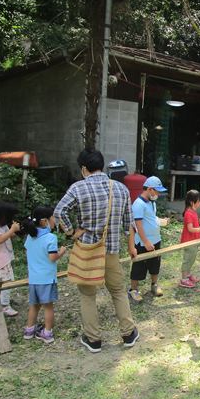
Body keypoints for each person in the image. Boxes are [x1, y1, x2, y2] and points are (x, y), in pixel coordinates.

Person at [55, 148, 139, 354]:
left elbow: (59, 212)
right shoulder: (121, 189)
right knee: (118, 291)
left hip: (87, 251)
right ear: (101, 166)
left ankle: (93, 340)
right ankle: (128, 333)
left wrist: (71, 232)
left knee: (87, 295)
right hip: (111, 250)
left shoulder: (78, 188)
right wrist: (131, 246)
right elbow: (129, 223)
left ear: (84, 168)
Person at [21, 206, 67, 344]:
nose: (55, 220)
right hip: (46, 278)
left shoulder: (30, 237)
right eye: (53, 217)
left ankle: (29, 330)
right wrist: (62, 252)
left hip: (34, 278)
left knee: (34, 305)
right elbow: (52, 257)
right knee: (48, 306)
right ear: (44, 221)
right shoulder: (50, 238)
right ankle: (47, 333)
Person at [129, 176, 169, 302]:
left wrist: (160, 221)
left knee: (155, 264)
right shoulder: (138, 204)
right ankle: (133, 290)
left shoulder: (152, 203)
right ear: (150, 189)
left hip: (156, 240)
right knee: (138, 265)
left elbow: (151, 218)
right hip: (142, 242)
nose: (158, 194)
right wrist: (146, 241)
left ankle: (154, 284)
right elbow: (137, 225)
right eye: (157, 191)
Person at [0, 200, 21, 317]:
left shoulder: (3, 225)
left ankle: (4, 301)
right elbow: (0, 239)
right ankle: (4, 306)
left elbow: (11, 235)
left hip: (6, 259)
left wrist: (15, 229)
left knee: (8, 281)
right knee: (6, 283)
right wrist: (12, 230)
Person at [180, 189, 200, 288]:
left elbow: (194, 225)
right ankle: (183, 279)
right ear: (192, 202)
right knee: (187, 259)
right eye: (198, 201)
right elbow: (190, 229)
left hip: (194, 241)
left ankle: (187, 275)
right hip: (189, 241)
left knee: (192, 258)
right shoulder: (188, 213)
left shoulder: (193, 212)